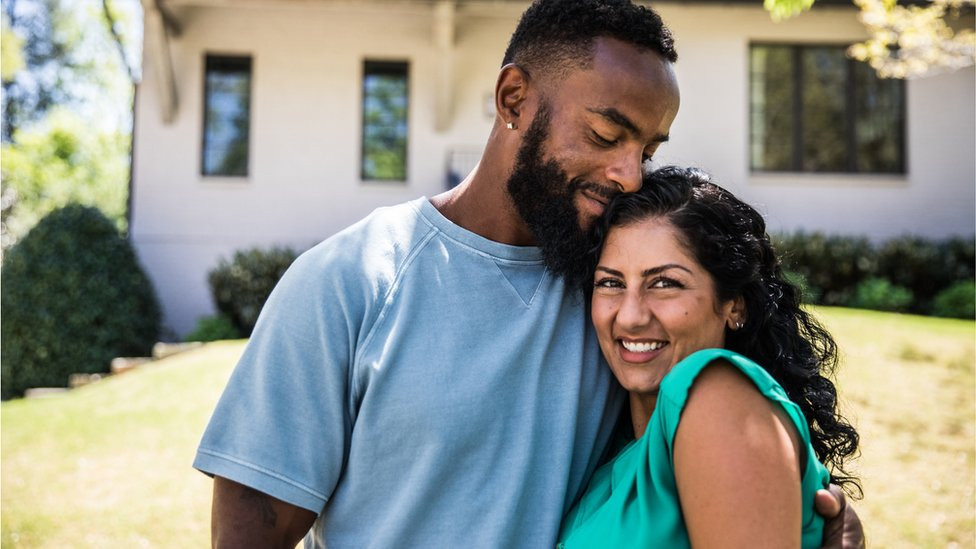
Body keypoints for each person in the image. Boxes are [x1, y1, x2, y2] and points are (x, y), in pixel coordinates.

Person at [194, 1, 863, 547]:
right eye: (607, 135)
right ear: (514, 97)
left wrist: (810, 512)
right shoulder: (352, 280)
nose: (631, 174)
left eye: (647, 150)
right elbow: (252, 533)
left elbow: (720, 439)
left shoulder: (614, 294)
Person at [557, 166, 861, 548]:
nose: (630, 317)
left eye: (665, 283)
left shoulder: (714, 393)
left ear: (734, 305)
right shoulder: (610, 452)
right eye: (611, 283)